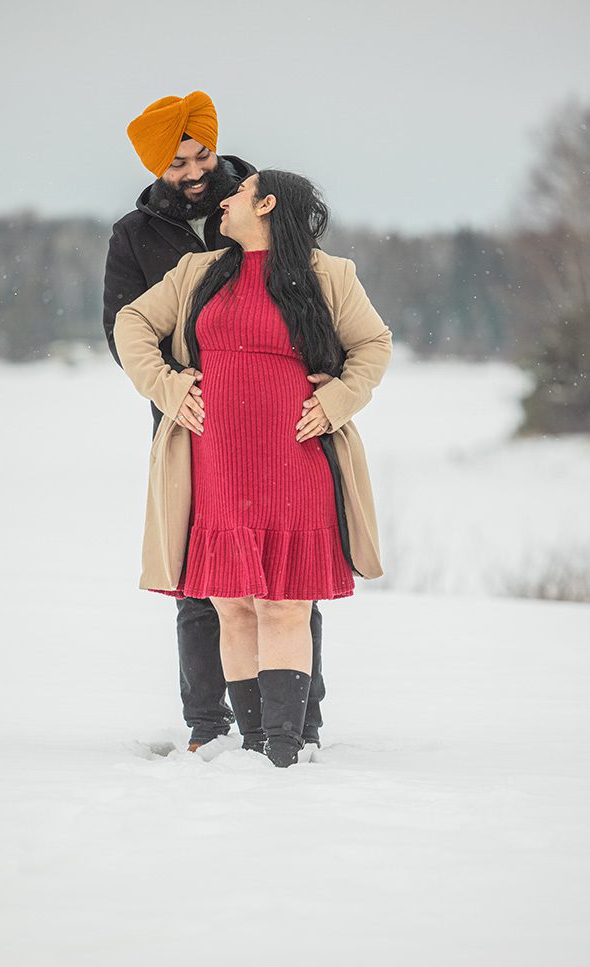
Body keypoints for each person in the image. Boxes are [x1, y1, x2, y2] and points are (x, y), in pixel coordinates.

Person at [113, 168, 393, 766]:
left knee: (285, 602)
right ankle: (254, 743)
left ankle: (286, 752)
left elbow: (374, 345)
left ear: (266, 204)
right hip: (216, 464)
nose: (225, 196)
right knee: (232, 602)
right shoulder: (197, 273)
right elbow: (131, 323)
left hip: (294, 459)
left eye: (239, 191)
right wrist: (164, 385)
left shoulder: (328, 275)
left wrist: (337, 398)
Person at [103, 91, 335, 752]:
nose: (196, 169)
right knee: (200, 584)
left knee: (289, 579)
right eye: (178, 162)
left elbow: (317, 302)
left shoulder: (265, 203)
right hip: (194, 427)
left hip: (284, 426)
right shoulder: (137, 236)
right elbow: (123, 330)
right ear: (157, 168)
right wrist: (170, 388)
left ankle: (299, 725)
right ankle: (209, 726)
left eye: (201, 153)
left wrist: (328, 372)